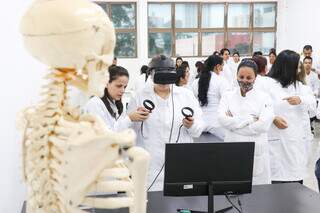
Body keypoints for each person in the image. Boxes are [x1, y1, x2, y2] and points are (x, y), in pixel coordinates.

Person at [127, 55, 204, 191]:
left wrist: (191, 125)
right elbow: (129, 133)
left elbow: (198, 130)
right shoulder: (139, 96)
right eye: (160, 78)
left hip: (181, 164)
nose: (163, 83)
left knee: (180, 206)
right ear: (151, 75)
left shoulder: (186, 95)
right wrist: (132, 118)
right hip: (150, 167)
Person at [217, 59, 274, 185]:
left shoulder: (264, 98)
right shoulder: (228, 96)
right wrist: (250, 119)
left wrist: (233, 124)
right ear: (236, 76)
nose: (244, 80)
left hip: (255, 152)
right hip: (232, 149)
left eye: (249, 77)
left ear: (255, 78)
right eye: (241, 77)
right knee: (231, 189)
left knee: (256, 193)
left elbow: (263, 125)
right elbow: (221, 119)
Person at [267, 50, 316, 184]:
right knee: (276, 183)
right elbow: (257, 108)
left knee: (295, 183)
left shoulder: (301, 87)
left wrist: (301, 99)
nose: (300, 68)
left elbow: (313, 107)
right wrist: (272, 118)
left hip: (296, 143)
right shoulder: (268, 85)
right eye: (297, 66)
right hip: (276, 141)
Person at [83, 65, 149, 131]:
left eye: (125, 87)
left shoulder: (115, 103)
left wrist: (135, 115)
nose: (123, 90)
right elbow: (106, 134)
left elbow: (119, 127)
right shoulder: (94, 104)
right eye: (118, 86)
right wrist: (129, 118)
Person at [192, 55, 230, 140]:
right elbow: (227, 103)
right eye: (222, 65)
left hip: (200, 125)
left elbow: (193, 103)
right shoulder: (222, 81)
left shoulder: (196, 82)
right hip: (217, 126)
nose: (223, 68)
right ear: (217, 66)